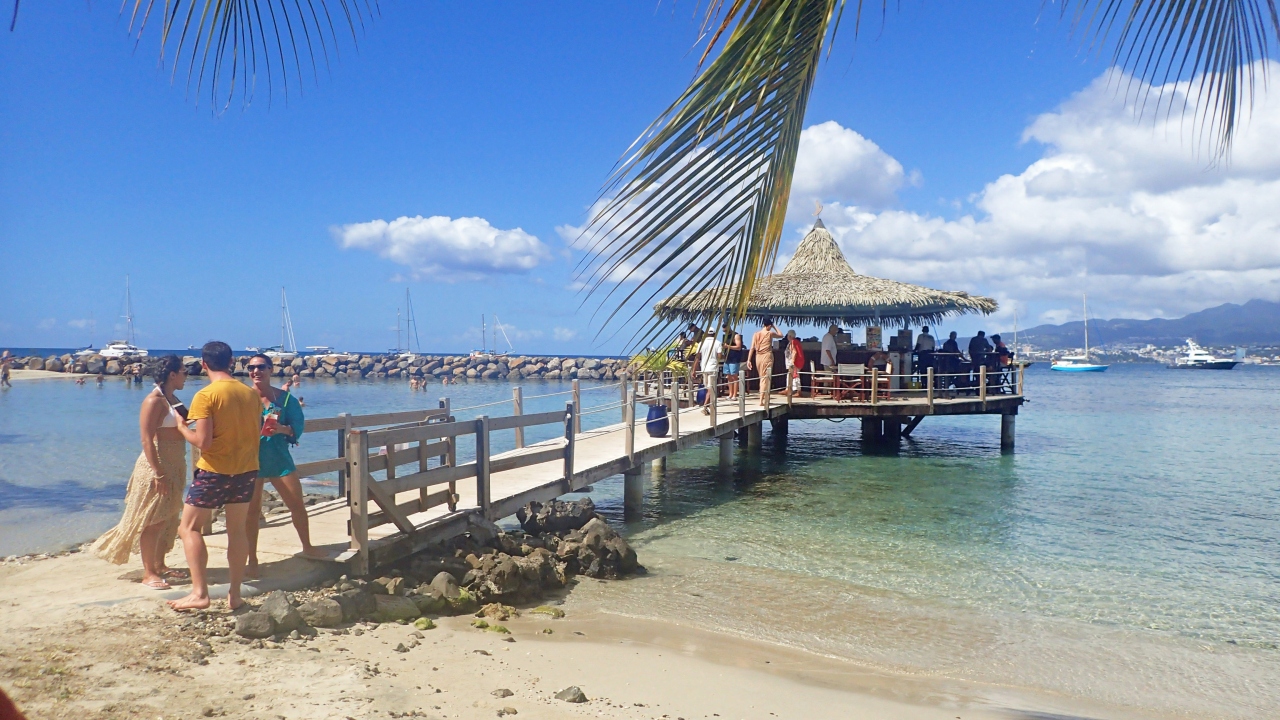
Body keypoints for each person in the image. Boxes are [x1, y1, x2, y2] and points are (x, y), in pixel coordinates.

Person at [169, 341, 260, 611]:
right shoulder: (250, 393)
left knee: (188, 528)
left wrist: (182, 428)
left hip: (215, 470)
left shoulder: (206, 395)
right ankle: (235, 594)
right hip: (246, 469)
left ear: (204, 364)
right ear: (231, 362)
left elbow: (203, 442)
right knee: (237, 531)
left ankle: (200, 593)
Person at [91, 355, 190, 589]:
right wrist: (158, 473)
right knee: (152, 520)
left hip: (175, 463)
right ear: (172, 374)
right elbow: (146, 440)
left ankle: (160, 565)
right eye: (184, 372)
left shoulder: (172, 398)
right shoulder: (153, 400)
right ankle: (149, 573)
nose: (186, 376)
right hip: (158, 465)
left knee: (167, 517)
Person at [245, 354, 324, 576]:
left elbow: (297, 428)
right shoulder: (243, 398)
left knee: (296, 504)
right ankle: (252, 559)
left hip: (279, 458)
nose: (256, 371)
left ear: (271, 369)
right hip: (250, 459)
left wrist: (281, 429)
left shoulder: (287, 400)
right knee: (251, 513)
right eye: (251, 368)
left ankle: (307, 546)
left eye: (261, 367)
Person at [745, 318, 783, 406]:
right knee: (765, 378)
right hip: (766, 356)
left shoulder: (756, 334)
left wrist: (749, 359)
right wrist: (774, 326)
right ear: (769, 326)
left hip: (758, 357)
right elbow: (781, 335)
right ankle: (761, 400)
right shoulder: (769, 333)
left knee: (762, 377)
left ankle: (764, 397)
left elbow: (752, 348)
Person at [696, 329, 722, 412]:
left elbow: (697, 357)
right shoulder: (717, 343)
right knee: (711, 388)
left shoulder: (701, 343)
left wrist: (694, 369)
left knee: (708, 388)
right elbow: (719, 356)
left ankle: (709, 405)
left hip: (704, 368)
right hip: (713, 367)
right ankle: (705, 406)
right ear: (714, 334)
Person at [721, 323, 744, 400]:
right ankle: (730, 394)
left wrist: (728, 346)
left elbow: (738, 347)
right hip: (727, 358)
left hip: (734, 358)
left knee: (734, 376)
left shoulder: (735, 335)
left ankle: (735, 394)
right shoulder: (725, 336)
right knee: (729, 377)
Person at [783, 329, 805, 398]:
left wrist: (792, 362)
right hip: (797, 361)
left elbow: (794, 352)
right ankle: (788, 389)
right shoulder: (795, 342)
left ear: (789, 336)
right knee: (791, 375)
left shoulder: (793, 342)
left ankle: (798, 391)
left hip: (796, 362)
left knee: (795, 376)